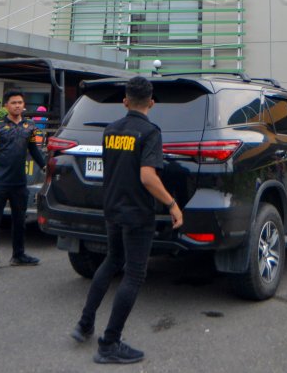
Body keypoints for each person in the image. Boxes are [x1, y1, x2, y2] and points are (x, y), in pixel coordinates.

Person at [72, 76, 183, 365]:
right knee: (134, 275)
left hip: (112, 209)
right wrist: (172, 204)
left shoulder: (111, 130)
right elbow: (148, 176)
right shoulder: (149, 132)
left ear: (125, 101)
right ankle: (109, 343)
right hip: (136, 214)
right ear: (151, 103)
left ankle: (84, 324)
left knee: (111, 261)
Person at [0, 90, 47, 278]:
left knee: (19, 221)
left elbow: (35, 150)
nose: (17, 105)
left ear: (24, 105)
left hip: (19, 183)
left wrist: (46, 168)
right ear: (6, 105)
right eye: (13, 102)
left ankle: (19, 255)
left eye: (20, 102)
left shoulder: (30, 127)